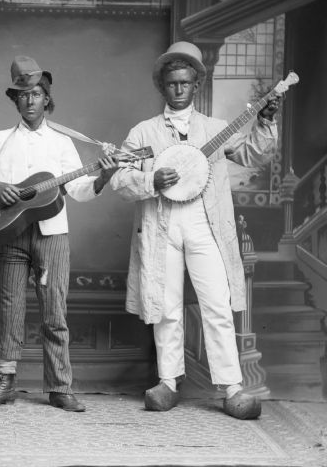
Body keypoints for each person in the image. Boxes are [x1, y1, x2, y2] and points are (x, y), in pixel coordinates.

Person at [109, 42, 281, 419]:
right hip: (162, 223)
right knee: (167, 305)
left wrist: (265, 122)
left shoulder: (215, 129)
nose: (179, 89)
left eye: (186, 82)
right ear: (162, 86)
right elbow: (120, 179)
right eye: (171, 83)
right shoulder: (144, 132)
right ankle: (168, 381)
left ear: (197, 84)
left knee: (216, 303)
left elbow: (254, 154)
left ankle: (231, 386)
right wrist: (151, 179)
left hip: (205, 223)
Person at [0, 55, 118, 412]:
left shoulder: (62, 142)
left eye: (36, 94)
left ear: (47, 98)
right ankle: (6, 383)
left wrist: (104, 176)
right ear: (15, 100)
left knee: (54, 310)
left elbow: (78, 190)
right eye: (22, 94)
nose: (30, 100)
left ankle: (60, 387)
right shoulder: (0, 140)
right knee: (10, 307)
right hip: (10, 234)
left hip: (51, 236)